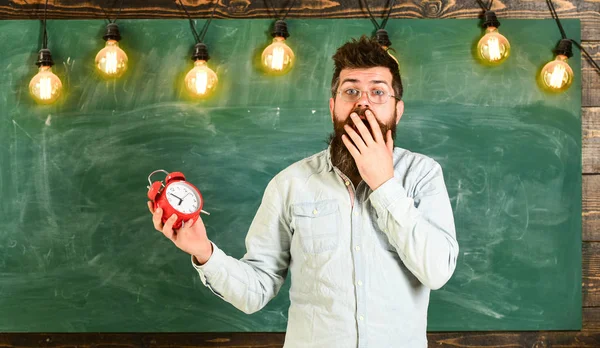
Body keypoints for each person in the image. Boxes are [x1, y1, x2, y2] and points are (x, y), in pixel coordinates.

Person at [148, 36, 459, 348]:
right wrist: (204, 252)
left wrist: (384, 185)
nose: (363, 102)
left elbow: (437, 271)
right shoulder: (290, 184)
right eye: (351, 91)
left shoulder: (422, 175)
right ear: (333, 105)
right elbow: (255, 291)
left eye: (378, 92)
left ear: (397, 109)